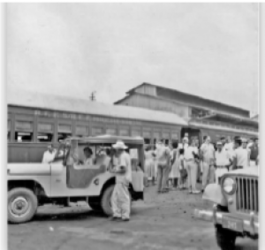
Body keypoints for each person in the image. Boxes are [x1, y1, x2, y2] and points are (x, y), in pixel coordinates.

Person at [110, 140, 132, 222]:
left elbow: (123, 169)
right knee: (115, 197)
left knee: (122, 198)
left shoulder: (122, 156)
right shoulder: (125, 155)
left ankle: (125, 216)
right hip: (122, 179)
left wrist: (114, 171)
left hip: (122, 179)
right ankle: (117, 214)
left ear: (118, 149)